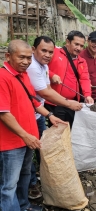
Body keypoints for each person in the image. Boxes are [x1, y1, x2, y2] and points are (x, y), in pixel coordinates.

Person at [0, 40, 65, 211]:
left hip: (29, 138)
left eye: (29, 58)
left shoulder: (23, 75)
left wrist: (50, 115)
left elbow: (34, 101)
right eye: (21, 57)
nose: (26, 61)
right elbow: (4, 114)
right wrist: (26, 135)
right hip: (12, 142)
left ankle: (22, 205)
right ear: (8, 56)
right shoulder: (2, 77)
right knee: (8, 184)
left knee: (25, 175)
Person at [26, 36, 82, 199]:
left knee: (42, 146)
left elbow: (48, 88)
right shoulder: (33, 67)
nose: (48, 55)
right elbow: (44, 92)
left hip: (39, 112)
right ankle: (31, 184)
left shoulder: (43, 66)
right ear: (33, 49)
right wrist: (67, 103)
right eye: (43, 50)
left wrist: (50, 113)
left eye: (50, 52)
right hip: (29, 115)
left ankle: (39, 175)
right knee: (29, 150)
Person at [45, 30, 94, 128]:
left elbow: (85, 79)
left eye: (81, 46)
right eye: (76, 44)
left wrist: (88, 95)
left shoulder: (82, 61)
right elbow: (40, 67)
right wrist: (51, 75)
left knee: (71, 131)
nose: (79, 48)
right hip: (56, 102)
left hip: (73, 103)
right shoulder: (54, 53)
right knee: (58, 132)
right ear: (68, 42)